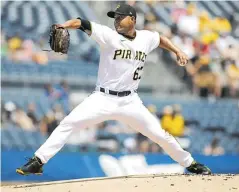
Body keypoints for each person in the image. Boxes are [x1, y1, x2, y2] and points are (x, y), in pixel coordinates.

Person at [16, 4, 211, 175]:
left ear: (132, 19)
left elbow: (160, 39)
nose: (116, 20)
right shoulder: (108, 35)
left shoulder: (145, 38)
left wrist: (178, 50)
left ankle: (191, 164)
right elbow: (82, 22)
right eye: (115, 17)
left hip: (130, 102)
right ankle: (38, 161)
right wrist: (64, 25)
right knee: (68, 123)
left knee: (160, 135)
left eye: (120, 17)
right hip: (102, 98)